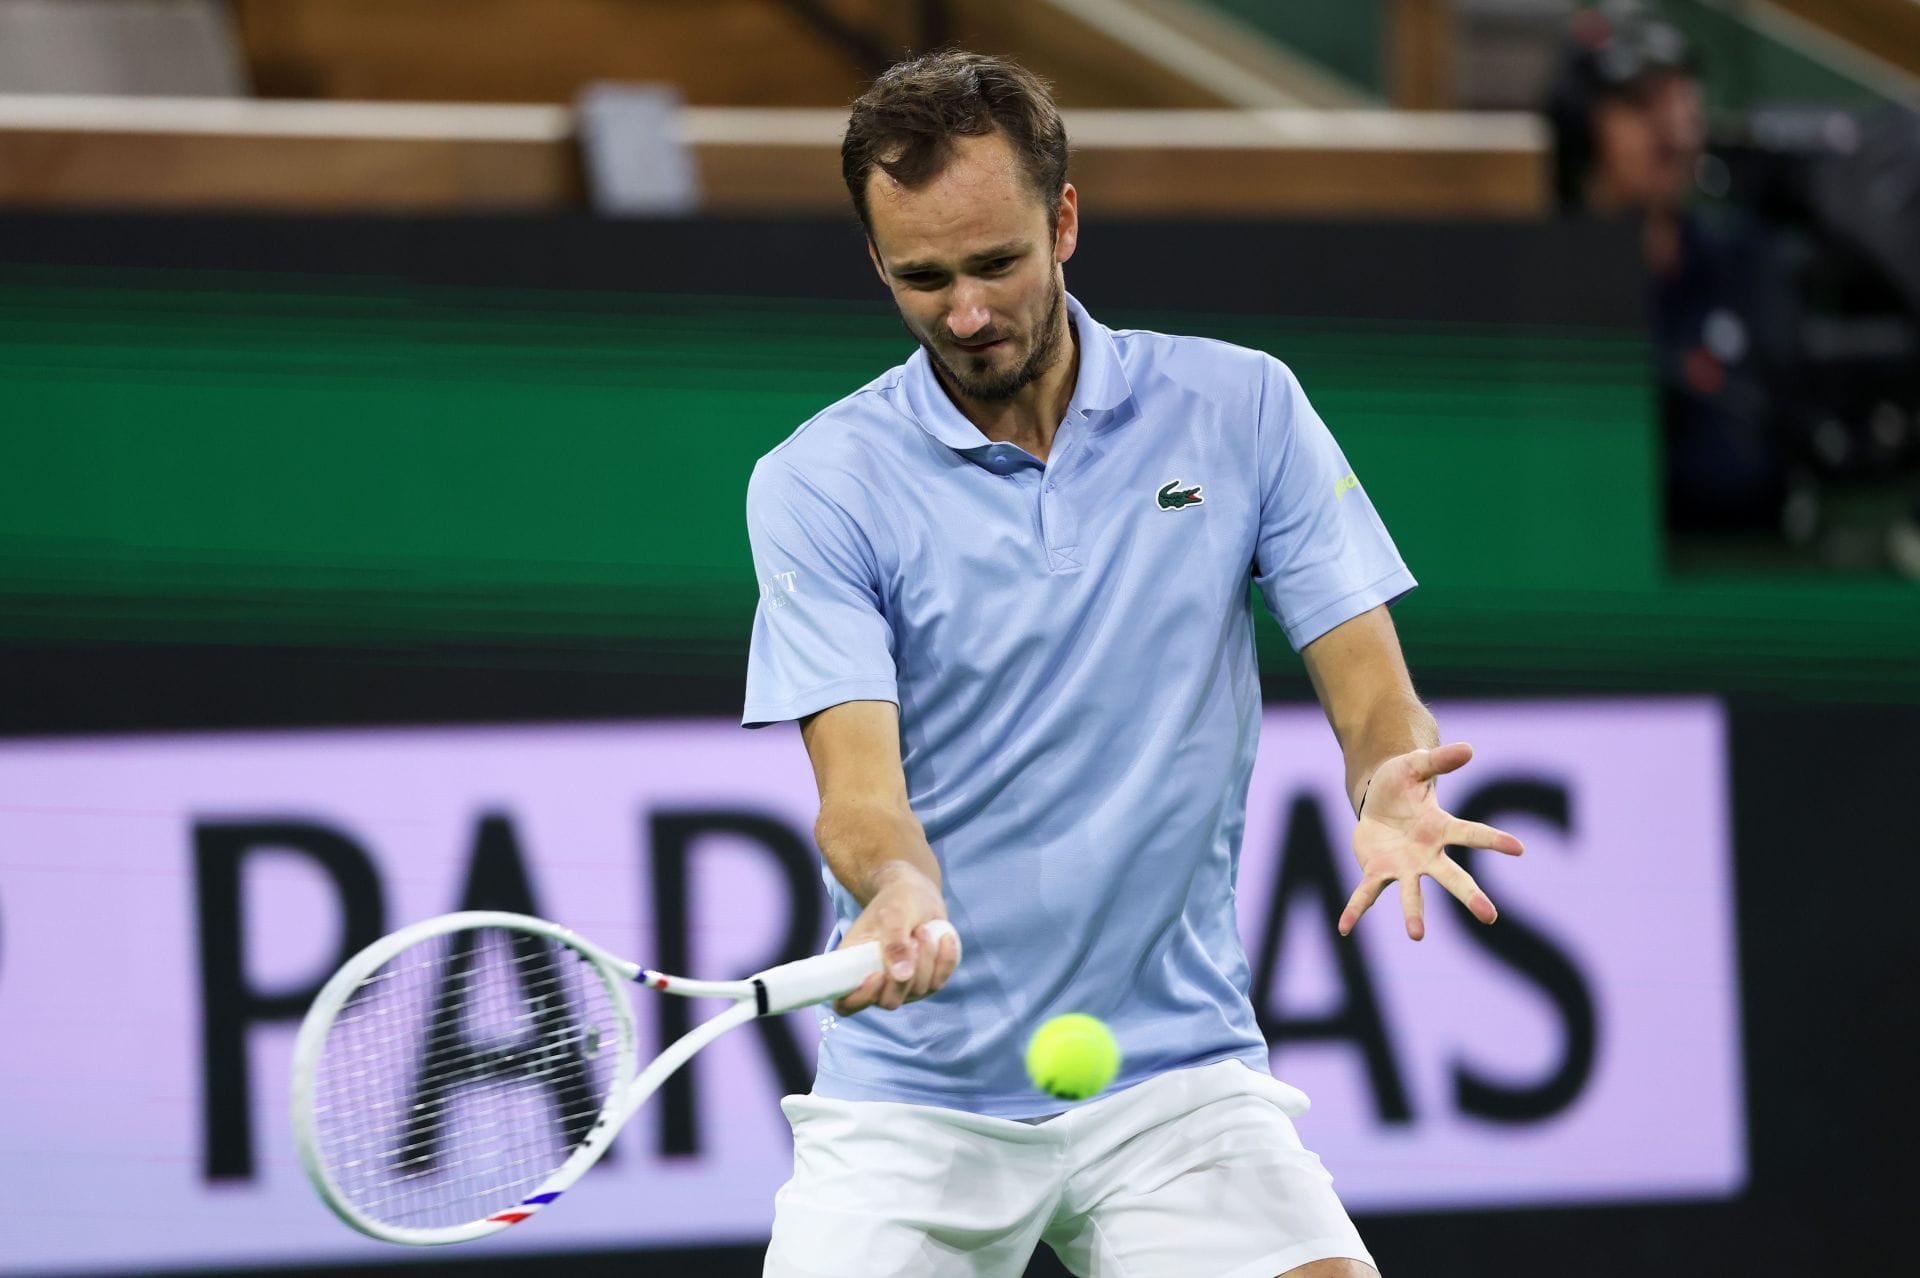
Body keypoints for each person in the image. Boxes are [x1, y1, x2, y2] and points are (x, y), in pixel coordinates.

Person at [742, 50, 1525, 1278]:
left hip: (1175, 1078)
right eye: (921, 278)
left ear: (1064, 219)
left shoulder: (1241, 406)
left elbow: (1370, 688)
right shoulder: (817, 483)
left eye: (995, 263)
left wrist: (1388, 782)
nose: (964, 314)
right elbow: (857, 790)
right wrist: (896, 888)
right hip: (918, 1103)